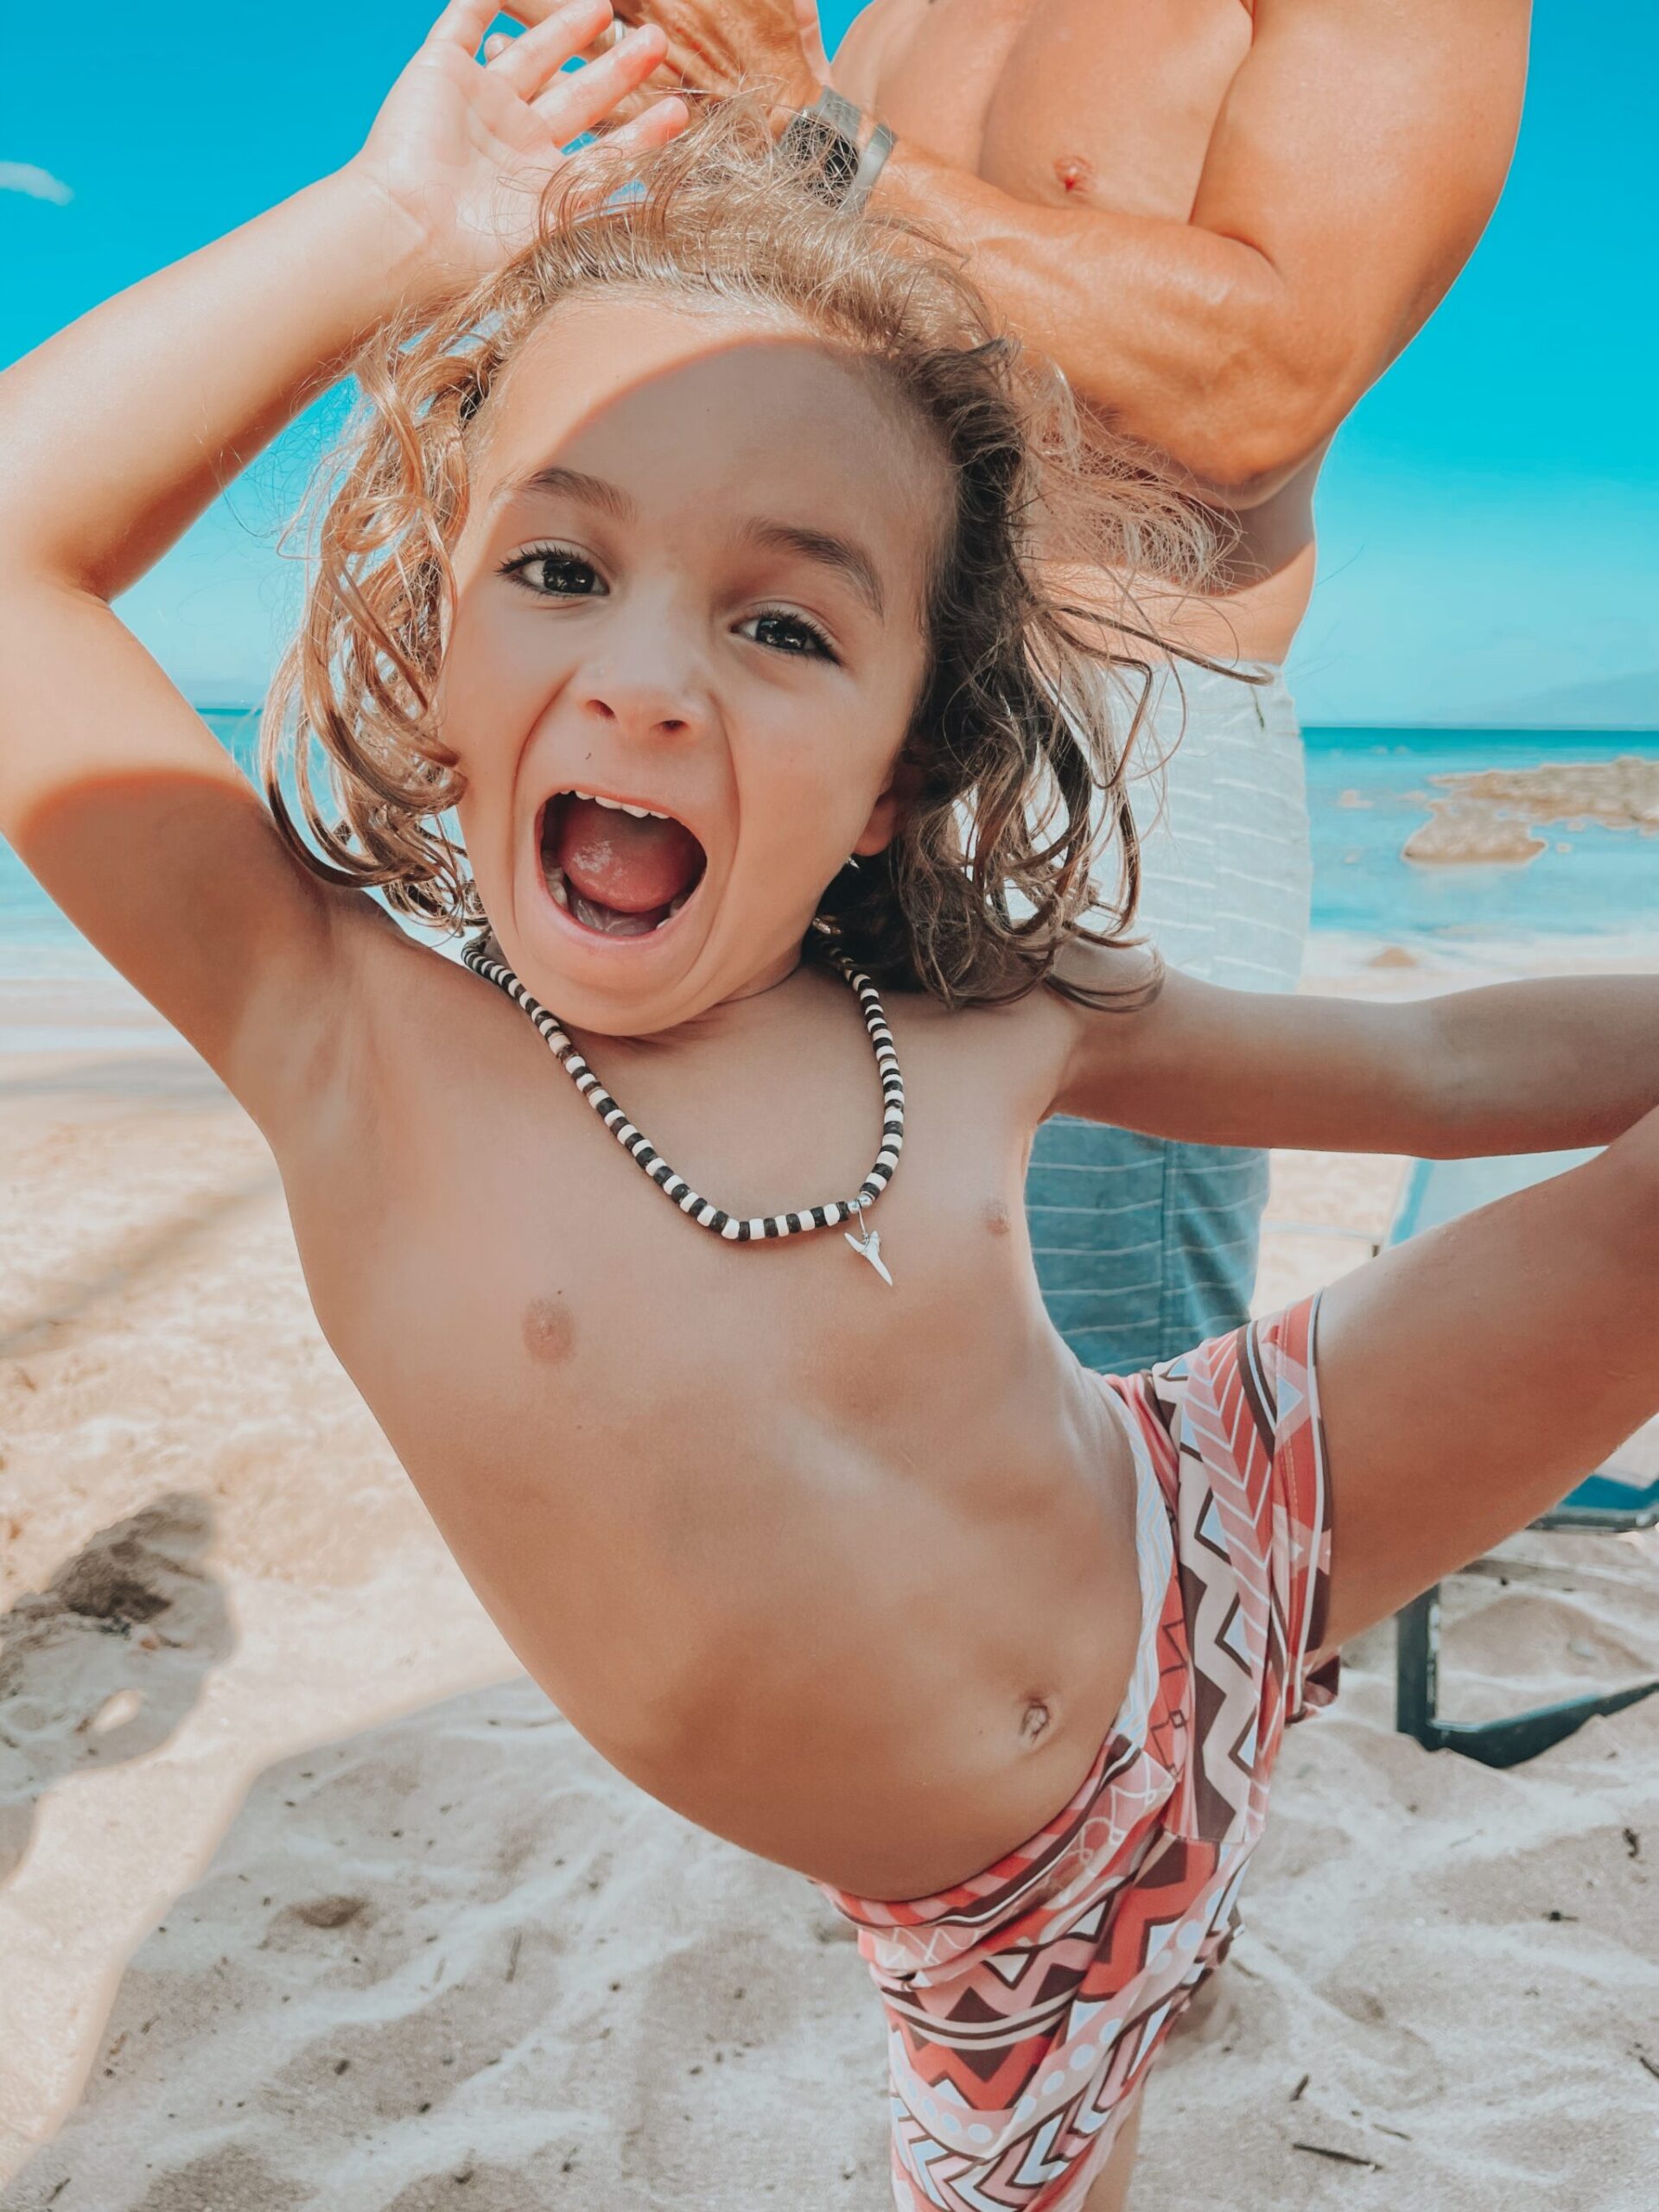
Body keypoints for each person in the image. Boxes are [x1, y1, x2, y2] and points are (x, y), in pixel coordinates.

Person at [0, 11, 1652, 2210]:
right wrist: (397, 223)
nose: (650, 676)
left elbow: (1438, 1069)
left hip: (1233, 1528)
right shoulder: (347, 1045)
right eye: (561, 567)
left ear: (892, 771)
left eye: (785, 622)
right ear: (438, 628)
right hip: (1008, 1925)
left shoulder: (978, 1013)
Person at [589, 0, 1534, 1370]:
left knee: (1104, 1411)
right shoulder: (888, 25)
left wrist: (805, 131)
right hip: (818, 734)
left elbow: (1257, 389)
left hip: (1116, 734)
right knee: (775, 1352)